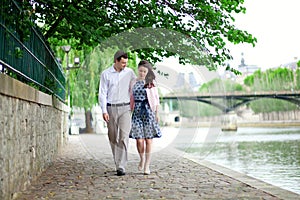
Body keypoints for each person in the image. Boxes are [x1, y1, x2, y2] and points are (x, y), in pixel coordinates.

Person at [99, 50, 136, 176]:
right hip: (111, 108)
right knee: (113, 137)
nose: (125, 65)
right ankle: (117, 161)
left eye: (126, 63)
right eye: (123, 63)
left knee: (124, 137)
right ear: (116, 61)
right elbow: (102, 93)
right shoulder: (106, 74)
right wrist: (104, 110)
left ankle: (121, 166)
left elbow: (135, 86)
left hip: (125, 108)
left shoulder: (130, 72)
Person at [130, 60, 162, 175]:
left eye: (144, 71)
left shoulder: (151, 83)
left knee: (149, 140)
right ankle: (142, 158)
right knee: (139, 140)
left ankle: (147, 165)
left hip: (149, 112)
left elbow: (156, 99)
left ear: (147, 72)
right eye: (140, 71)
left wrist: (156, 113)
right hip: (137, 112)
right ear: (138, 70)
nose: (142, 73)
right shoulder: (133, 82)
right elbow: (130, 96)